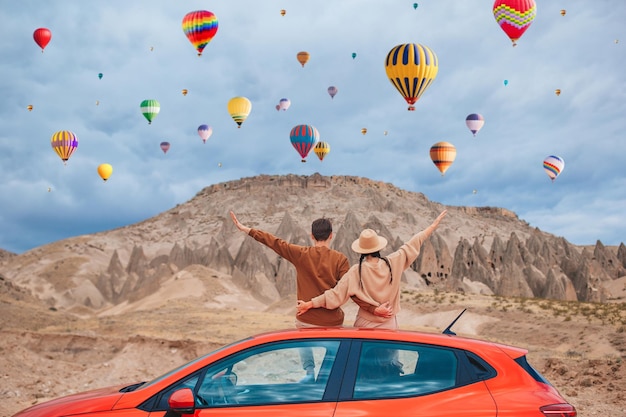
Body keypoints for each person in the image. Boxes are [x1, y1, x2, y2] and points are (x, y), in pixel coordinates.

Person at [229, 211, 390, 379]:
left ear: (312, 236)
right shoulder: (340, 259)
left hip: (306, 319)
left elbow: (274, 242)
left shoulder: (301, 254)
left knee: (302, 330)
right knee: (333, 351)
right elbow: (352, 291)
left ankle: (309, 370)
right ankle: (327, 376)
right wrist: (373, 309)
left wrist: (246, 229)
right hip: (332, 321)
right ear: (331, 236)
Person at [297, 210, 447, 329]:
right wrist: (433, 226)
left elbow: (335, 295)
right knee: (390, 366)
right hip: (389, 324)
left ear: (360, 249)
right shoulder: (394, 262)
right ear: (378, 246)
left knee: (362, 366)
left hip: (365, 324)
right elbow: (414, 242)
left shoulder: (357, 271)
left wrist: (309, 304)